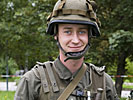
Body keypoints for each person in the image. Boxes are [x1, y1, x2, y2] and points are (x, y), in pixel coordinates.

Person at [14, 0, 120, 100]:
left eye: (82, 32)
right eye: (68, 32)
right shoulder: (33, 81)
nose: (75, 40)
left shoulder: (104, 82)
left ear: (89, 35)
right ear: (56, 34)